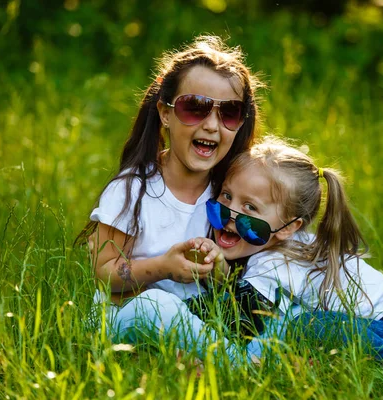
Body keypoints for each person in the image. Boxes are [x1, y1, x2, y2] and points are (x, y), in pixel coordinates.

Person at [76, 35, 263, 356]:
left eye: (229, 113)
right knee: (156, 303)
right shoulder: (132, 190)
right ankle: (242, 365)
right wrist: (163, 267)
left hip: (194, 319)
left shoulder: (229, 195)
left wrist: (217, 270)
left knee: (265, 309)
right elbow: (104, 272)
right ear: (165, 113)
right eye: (195, 108)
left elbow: (230, 280)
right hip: (123, 317)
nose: (212, 126)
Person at [200, 135, 383, 364]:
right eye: (226, 196)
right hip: (369, 323)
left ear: (288, 227)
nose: (230, 215)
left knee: (305, 327)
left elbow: (239, 320)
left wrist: (176, 309)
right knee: (293, 330)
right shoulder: (273, 244)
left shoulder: (276, 262)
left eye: (250, 207)